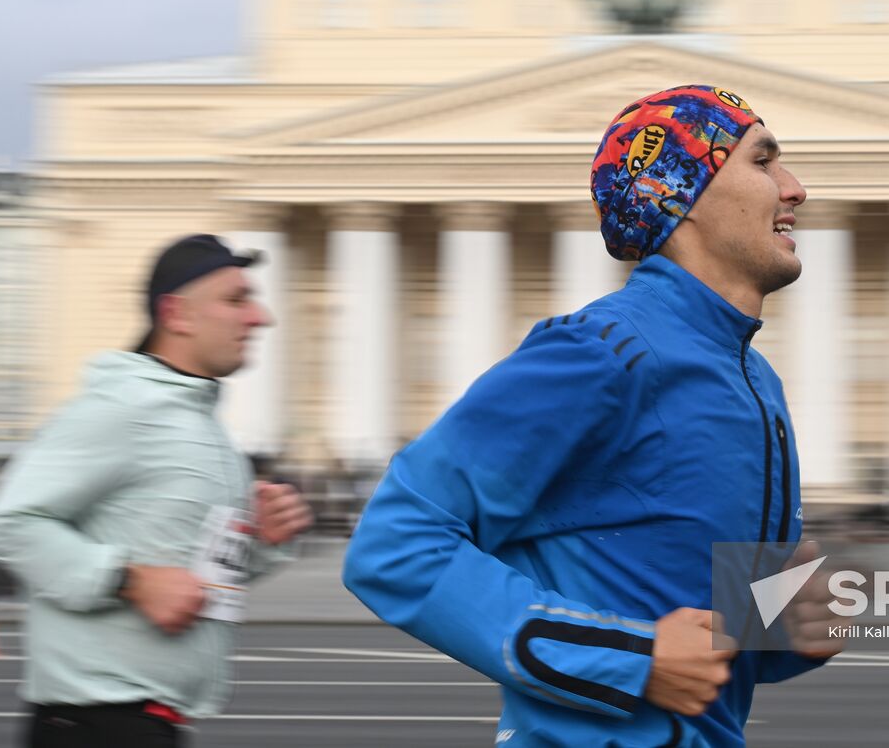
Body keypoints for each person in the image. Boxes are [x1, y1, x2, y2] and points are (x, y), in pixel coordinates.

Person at [343, 85, 841, 747]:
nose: (795, 187)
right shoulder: (599, 353)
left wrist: (789, 627)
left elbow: (702, 637)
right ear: (682, 197)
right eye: (763, 162)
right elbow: (394, 546)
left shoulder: (756, 382)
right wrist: (631, 659)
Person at [0, 234, 314, 747]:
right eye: (236, 300)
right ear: (177, 314)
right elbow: (9, 524)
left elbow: (194, 581)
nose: (259, 317)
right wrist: (127, 580)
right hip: (94, 724)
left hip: (151, 722)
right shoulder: (123, 407)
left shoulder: (205, 429)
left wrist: (261, 543)